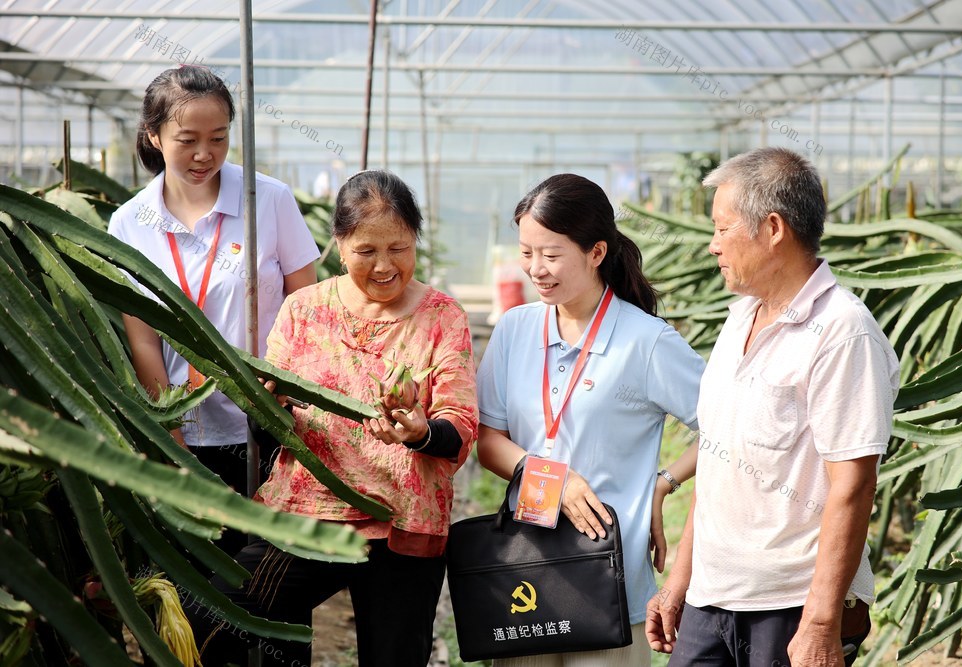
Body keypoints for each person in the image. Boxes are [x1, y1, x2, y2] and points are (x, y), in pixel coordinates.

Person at [186, 169, 479, 667]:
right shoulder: (303, 310)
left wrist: (421, 432)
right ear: (339, 245)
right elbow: (268, 428)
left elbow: (459, 427)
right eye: (367, 251)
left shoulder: (442, 316)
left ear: (415, 241)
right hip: (306, 519)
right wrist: (268, 406)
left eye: (399, 248)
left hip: (403, 526)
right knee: (217, 615)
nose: (385, 265)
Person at [645, 147, 900, 667]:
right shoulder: (739, 318)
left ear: (774, 228)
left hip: (790, 607)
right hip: (710, 600)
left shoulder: (842, 333)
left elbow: (853, 485)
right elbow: (719, 457)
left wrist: (822, 623)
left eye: (722, 229)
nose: (713, 246)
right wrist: (678, 586)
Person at [476, 173, 705, 666]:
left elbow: (728, 427)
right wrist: (550, 479)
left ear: (597, 252)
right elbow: (488, 439)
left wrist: (664, 482)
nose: (536, 269)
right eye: (526, 253)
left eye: (552, 255)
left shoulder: (646, 341)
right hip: (528, 574)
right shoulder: (515, 329)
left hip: (609, 576)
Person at [107, 66, 319, 555]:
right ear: (154, 136)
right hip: (186, 428)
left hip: (271, 423)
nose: (205, 154)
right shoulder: (129, 224)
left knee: (272, 584)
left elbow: (308, 308)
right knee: (201, 581)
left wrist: (286, 387)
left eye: (219, 138)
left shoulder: (268, 200)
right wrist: (172, 442)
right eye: (188, 140)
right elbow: (142, 339)